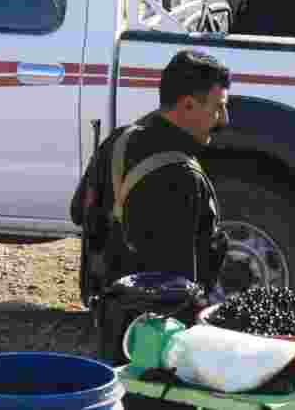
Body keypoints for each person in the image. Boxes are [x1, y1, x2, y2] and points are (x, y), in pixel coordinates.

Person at [71, 50, 231, 372]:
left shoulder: (120, 139)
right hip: (162, 348)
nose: (224, 119)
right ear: (187, 105)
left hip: (112, 330)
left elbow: (79, 212)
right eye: (218, 107)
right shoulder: (182, 177)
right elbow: (186, 285)